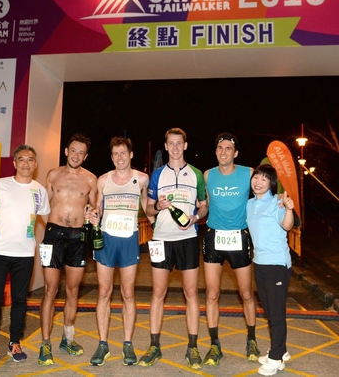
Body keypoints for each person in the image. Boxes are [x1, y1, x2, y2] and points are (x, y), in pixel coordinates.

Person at [138, 128, 208, 369]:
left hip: (188, 238)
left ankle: (193, 347)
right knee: (158, 293)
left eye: (179, 143)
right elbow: (148, 209)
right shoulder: (157, 175)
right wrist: (158, 206)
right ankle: (154, 346)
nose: (175, 147)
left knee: (191, 293)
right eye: (171, 143)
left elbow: (204, 205)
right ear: (166, 146)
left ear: (185, 146)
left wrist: (196, 217)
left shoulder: (196, 174)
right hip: (161, 239)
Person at [0, 145, 50, 367]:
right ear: (15, 163)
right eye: (22, 159)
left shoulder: (40, 191)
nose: (26, 163)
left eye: (30, 159)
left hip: (25, 255)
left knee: (20, 301)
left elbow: (49, 221)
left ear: (35, 164)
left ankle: (14, 343)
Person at [86, 137, 149, 366]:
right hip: (107, 239)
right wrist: (92, 215)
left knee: (128, 293)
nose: (119, 157)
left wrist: (157, 228)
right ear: (111, 157)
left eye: (123, 153)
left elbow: (147, 208)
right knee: (104, 292)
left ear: (131, 155)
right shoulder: (103, 180)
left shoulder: (142, 179)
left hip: (129, 239)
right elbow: (97, 208)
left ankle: (127, 344)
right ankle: (103, 344)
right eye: (115, 154)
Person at [37, 134, 98, 366]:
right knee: (50, 290)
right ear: (66, 151)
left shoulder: (90, 179)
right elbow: (43, 205)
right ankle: (45, 343)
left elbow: (95, 208)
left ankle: (68, 339)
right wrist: (50, 227)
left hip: (77, 238)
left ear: (86, 156)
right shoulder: (53, 175)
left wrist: (94, 215)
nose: (76, 155)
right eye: (73, 150)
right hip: (54, 235)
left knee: (72, 290)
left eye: (81, 152)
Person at [202, 133, 260, 366]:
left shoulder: (248, 173)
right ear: (215, 151)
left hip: (239, 237)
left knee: (246, 293)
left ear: (236, 153)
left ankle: (252, 340)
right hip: (213, 236)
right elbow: (205, 205)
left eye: (228, 148)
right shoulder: (208, 175)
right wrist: (193, 215)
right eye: (220, 148)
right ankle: (214, 345)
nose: (223, 152)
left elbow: (263, 194)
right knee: (211, 294)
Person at [246, 164, 295, 376]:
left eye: (264, 179)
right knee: (269, 310)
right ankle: (281, 350)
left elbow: (287, 225)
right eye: (256, 177)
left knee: (275, 311)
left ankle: (276, 358)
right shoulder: (250, 204)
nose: (258, 182)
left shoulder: (276, 202)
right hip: (259, 262)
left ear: (271, 183)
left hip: (277, 264)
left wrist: (289, 208)